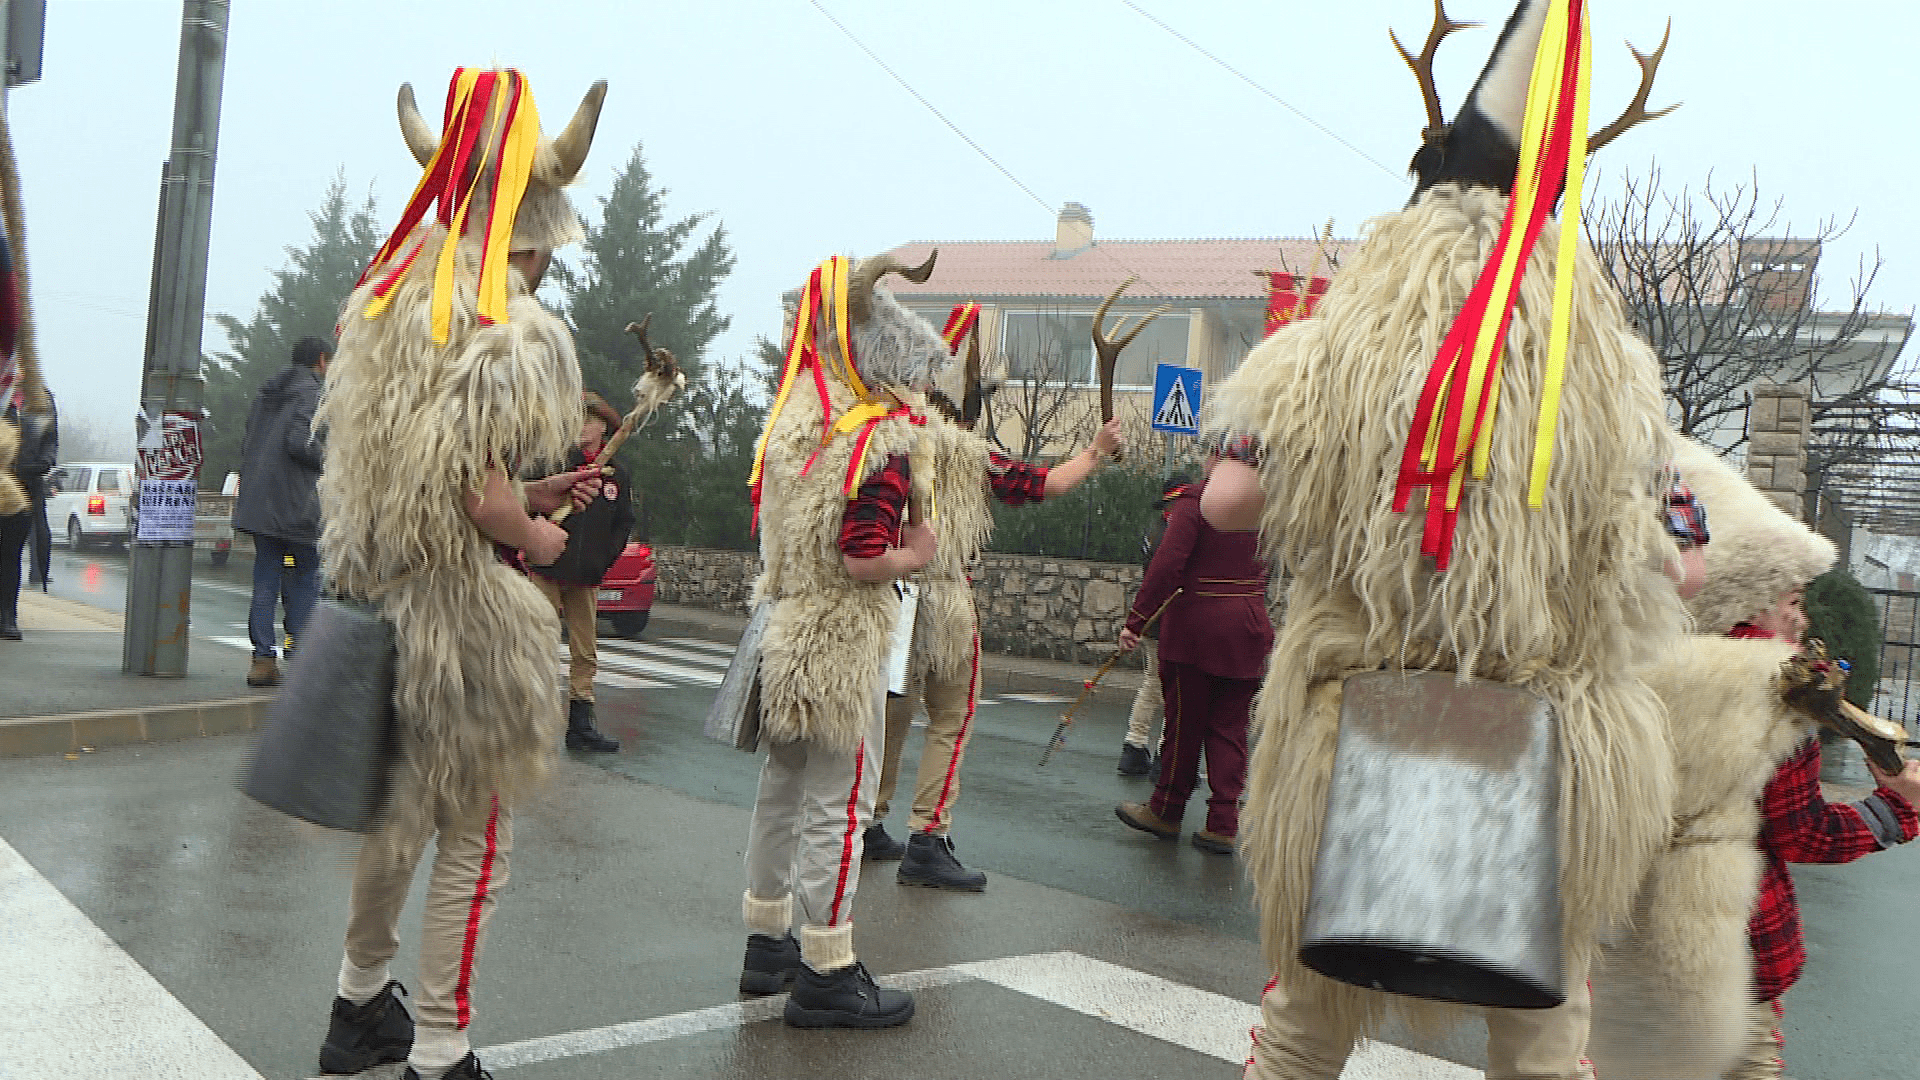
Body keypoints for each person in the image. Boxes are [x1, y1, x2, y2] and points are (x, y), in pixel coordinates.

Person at [1195, 4, 1780, 1076]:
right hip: (1549, 750)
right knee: (1545, 1043)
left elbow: (1227, 503)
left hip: (1356, 728)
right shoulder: (1608, 372)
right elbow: (1685, 563)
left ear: (1417, 210)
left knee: (1301, 1033)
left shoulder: (1328, 347)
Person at [308, 70, 670, 1080]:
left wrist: (539, 488)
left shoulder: (395, 296)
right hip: (464, 616)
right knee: (476, 833)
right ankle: (440, 1048)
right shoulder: (501, 319)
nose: (554, 259)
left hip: (395, 603)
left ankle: (357, 1008)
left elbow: (437, 468)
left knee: (397, 819)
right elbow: (475, 497)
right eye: (550, 238)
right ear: (531, 224)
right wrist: (538, 536)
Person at [735, 252, 958, 1028]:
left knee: (782, 788)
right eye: (918, 376)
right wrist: (914, 557)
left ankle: (768, 943)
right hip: (839, 640)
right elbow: (864, 555)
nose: (921, 393)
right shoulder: (878, 442)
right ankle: (828, 966)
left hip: (784, 629)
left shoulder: (794, 426)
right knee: (842, 799)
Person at [869, 399, 1125, 890]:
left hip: (892, 600)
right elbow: (1047, 483)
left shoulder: (884, 449)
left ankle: (866, 823)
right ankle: (927, 837)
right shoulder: (972, 457)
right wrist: (1095, 450)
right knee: (951, 717)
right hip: (945, 602)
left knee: (889, 718)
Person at [1114, 457, 1271, 854]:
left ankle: (1167, 809)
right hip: (1250, 627)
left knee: (1183, 726)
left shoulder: (1196, 501)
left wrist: (1137, 621)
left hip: (1198, 630)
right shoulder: (1270, 504)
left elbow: (1166, 566)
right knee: (1231, 730)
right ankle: (1223, 822)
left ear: (1220, 458)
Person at [529, 391, 635, 753]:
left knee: (585, 652)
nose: (580, 427)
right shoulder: (555, 460)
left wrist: (602, 560)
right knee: (539, 641)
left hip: (586, 576)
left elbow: (623, 523)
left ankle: (580, 724)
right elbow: (528, 503)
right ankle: (531, 720)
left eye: (588, 420)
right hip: (547, 568)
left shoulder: (617, 474)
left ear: (603, 427)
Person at [233, 335, 330, 687]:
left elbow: (249, 442)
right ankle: (301, 657)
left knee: (265, 580)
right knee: (306, 577)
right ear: (322, 360)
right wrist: (331, 459)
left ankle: (262, 659)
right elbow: (300, 442)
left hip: (260, 504)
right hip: (297, 504)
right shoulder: (313, 393)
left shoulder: (266, 396)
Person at [1117, 472, 1192, 777]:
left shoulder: (1156, 530)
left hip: (1153, 618)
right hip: (1171, 618)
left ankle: (1135, 745)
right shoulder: (1172, 532)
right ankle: (1165, 753)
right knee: (1173, 688)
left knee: (1154, 683)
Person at [2, 387, 55, 640]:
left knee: (11, 555)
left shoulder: (39, 397)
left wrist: (44, 463)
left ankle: (7, 617)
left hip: (25, 488)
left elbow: (50, 440)